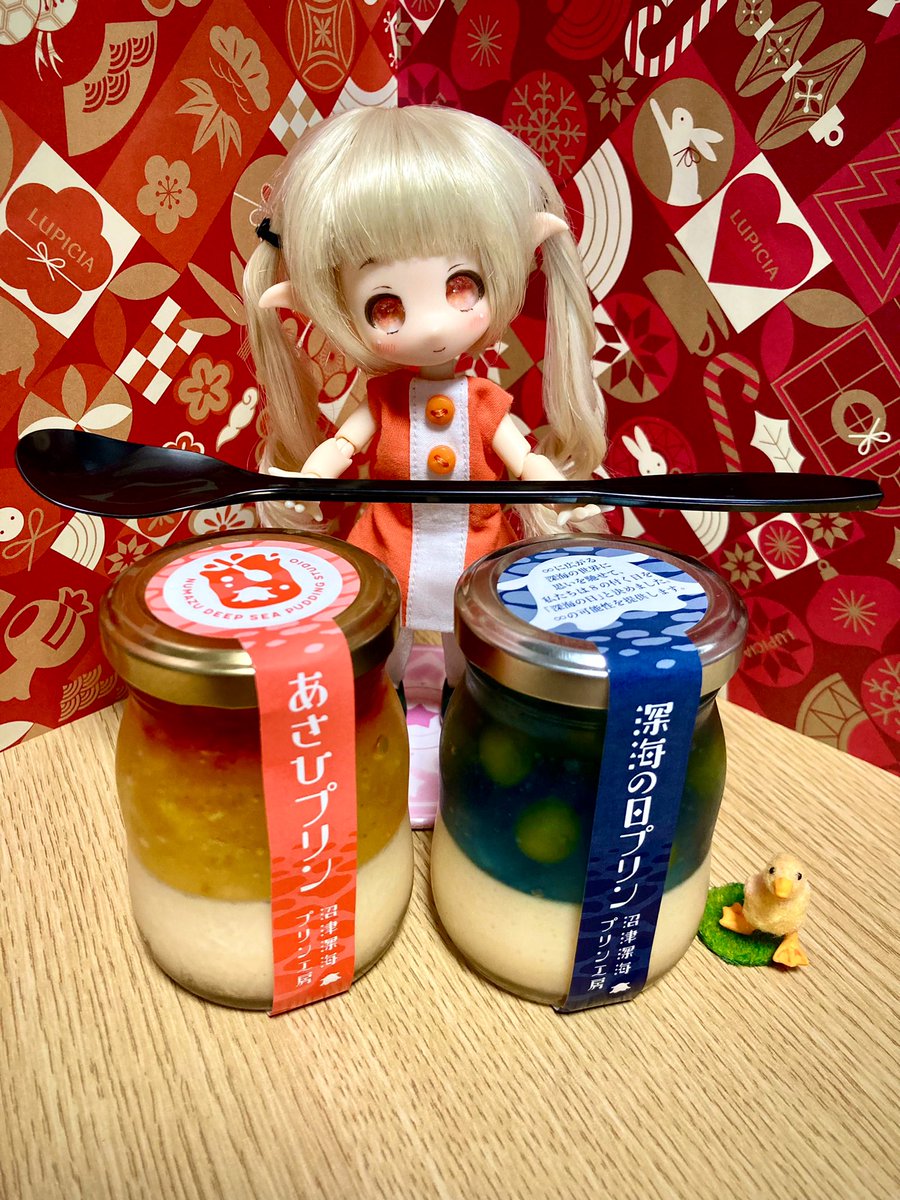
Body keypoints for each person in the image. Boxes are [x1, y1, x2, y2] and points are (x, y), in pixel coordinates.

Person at [243, 105, 607, 683]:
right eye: (386, 306)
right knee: (386, 641)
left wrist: (559, 493)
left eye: (461, 286)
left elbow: (524, 459)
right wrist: (303, 484)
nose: (433, 324)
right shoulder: (383, 401)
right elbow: (340, 447)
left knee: (472, 647)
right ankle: (382, 705)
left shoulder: (483, 402)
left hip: (475, 545)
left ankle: (463, 705)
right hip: (392, 539)